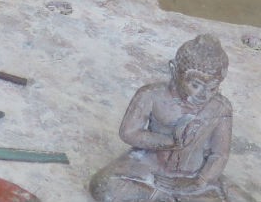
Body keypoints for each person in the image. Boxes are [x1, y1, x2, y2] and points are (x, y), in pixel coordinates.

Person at [89, 34, 245, 202]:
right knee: (103, 185)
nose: (204, 95)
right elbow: (129, 133)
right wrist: (170, 141)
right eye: (195, 85)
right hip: (149, 165)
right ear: (173, 70)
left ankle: (169, 197)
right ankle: (163, 197)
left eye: (213, 88)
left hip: (193, 174)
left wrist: (199, 181)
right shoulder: (151, 95)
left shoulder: (220, 107)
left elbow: (219, 154)